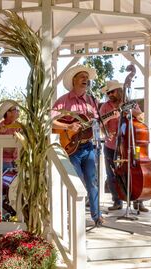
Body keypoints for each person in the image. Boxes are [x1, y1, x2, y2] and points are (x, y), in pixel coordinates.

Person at [52, 65, 115, 225]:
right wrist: (67, 127)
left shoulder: (91, 101)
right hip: (71, 148)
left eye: (87, 77)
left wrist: (108, 118)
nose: (86, 80)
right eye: (82, 76)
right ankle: (74, 217)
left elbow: (96, 124)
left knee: (92, 181)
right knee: (76, 181)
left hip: (88, 147)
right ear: (74, 80)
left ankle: (97, 216)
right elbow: (50, 121)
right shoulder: (64, 101)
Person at [100, 80, 148, 212]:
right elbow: (100, 124)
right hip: (111, 145)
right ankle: (117, 201)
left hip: (131, 144)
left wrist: (131, 113)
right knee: (112, 174)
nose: (110, 94)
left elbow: (141, 117)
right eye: (108, 93)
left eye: (112, 92)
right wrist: (107, 130)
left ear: (120, 91)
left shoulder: (130, 103)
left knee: (136, 171)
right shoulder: (105, 107)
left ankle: (139, 201)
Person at [0, 100, 21, 174]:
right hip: (4, 161)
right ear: (8, 113)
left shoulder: (18, 126)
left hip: (16, 161)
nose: (18, 111)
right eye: (15, 109)